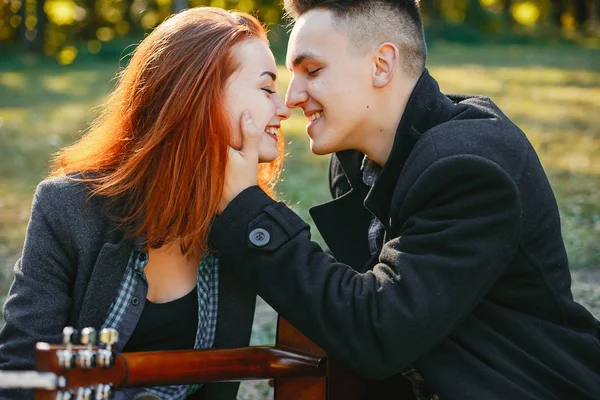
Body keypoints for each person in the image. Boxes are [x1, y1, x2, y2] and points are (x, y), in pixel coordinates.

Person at [211, 0, 600, 399]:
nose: (291, 97)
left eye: (312, 71)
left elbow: (378, 331)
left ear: (382, 65)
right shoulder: (357, 163)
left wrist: (250, 212)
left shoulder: (470, 168)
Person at [0, 7, 290, 400]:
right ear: (199, 96)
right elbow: (21, 372)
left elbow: (340, 321)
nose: (284, 108)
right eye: (267, 88)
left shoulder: (250, 225)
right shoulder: (67, 208)